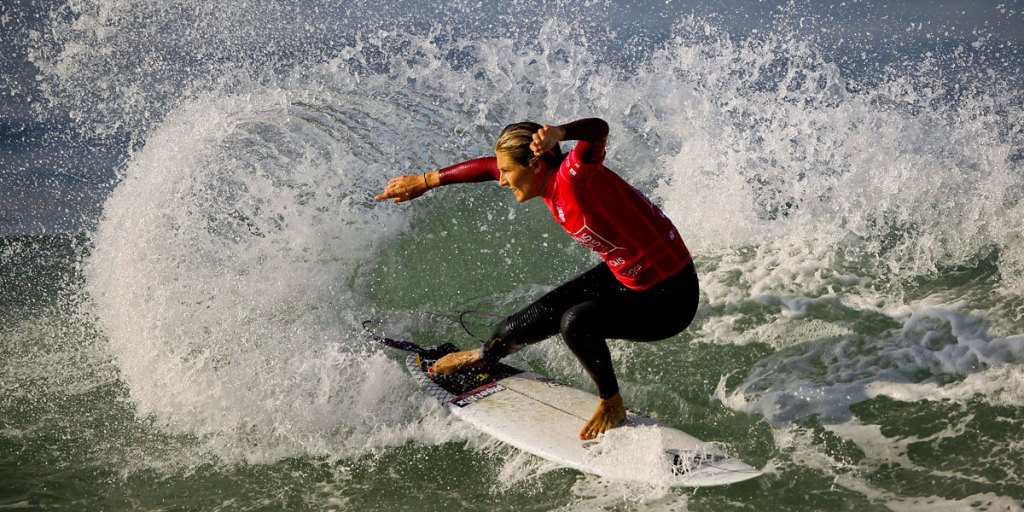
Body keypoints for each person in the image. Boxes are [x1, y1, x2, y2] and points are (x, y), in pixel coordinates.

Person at [375, 118, 699, 440]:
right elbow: (488, 167)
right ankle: (482, 357)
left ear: (535, 164)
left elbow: (598, 130)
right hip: (624, 275)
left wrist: (561, 132)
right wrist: (425, 181)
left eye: (507, 171)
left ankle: (612, 404)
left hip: (669, 298)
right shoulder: (544, 180)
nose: (501, 180)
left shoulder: (575, 177)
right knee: (509, 332)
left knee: (575, 323)